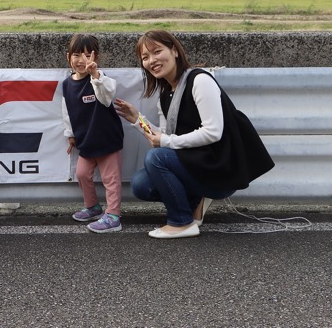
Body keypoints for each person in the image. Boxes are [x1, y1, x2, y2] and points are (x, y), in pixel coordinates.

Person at [115, 30, 274, 239]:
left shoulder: (200, 80)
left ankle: (182, 222)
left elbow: (213, 132)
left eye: (157, 52)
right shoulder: (165, 95)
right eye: (145, 57)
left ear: (174, 51)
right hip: (197, 164)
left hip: (220, 168)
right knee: (141, 184)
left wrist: (166, 141)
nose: (151, 60)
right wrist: (138, 120)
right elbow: (164, 136)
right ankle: (195, 201)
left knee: (156, 158)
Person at [62, 34, 125, 233]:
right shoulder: (66, 84)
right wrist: (70, 134)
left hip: (107, 139)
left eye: (88, 55)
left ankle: (113, 215)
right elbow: (67, 111)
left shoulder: (101, 79)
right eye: (77, 55)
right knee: (82, 174)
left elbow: (106, 98)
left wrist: (95, 76)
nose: (82, 60)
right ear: (68, 57)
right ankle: (92, 207)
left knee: (111, 179)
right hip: (86, 140)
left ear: (95, 57)